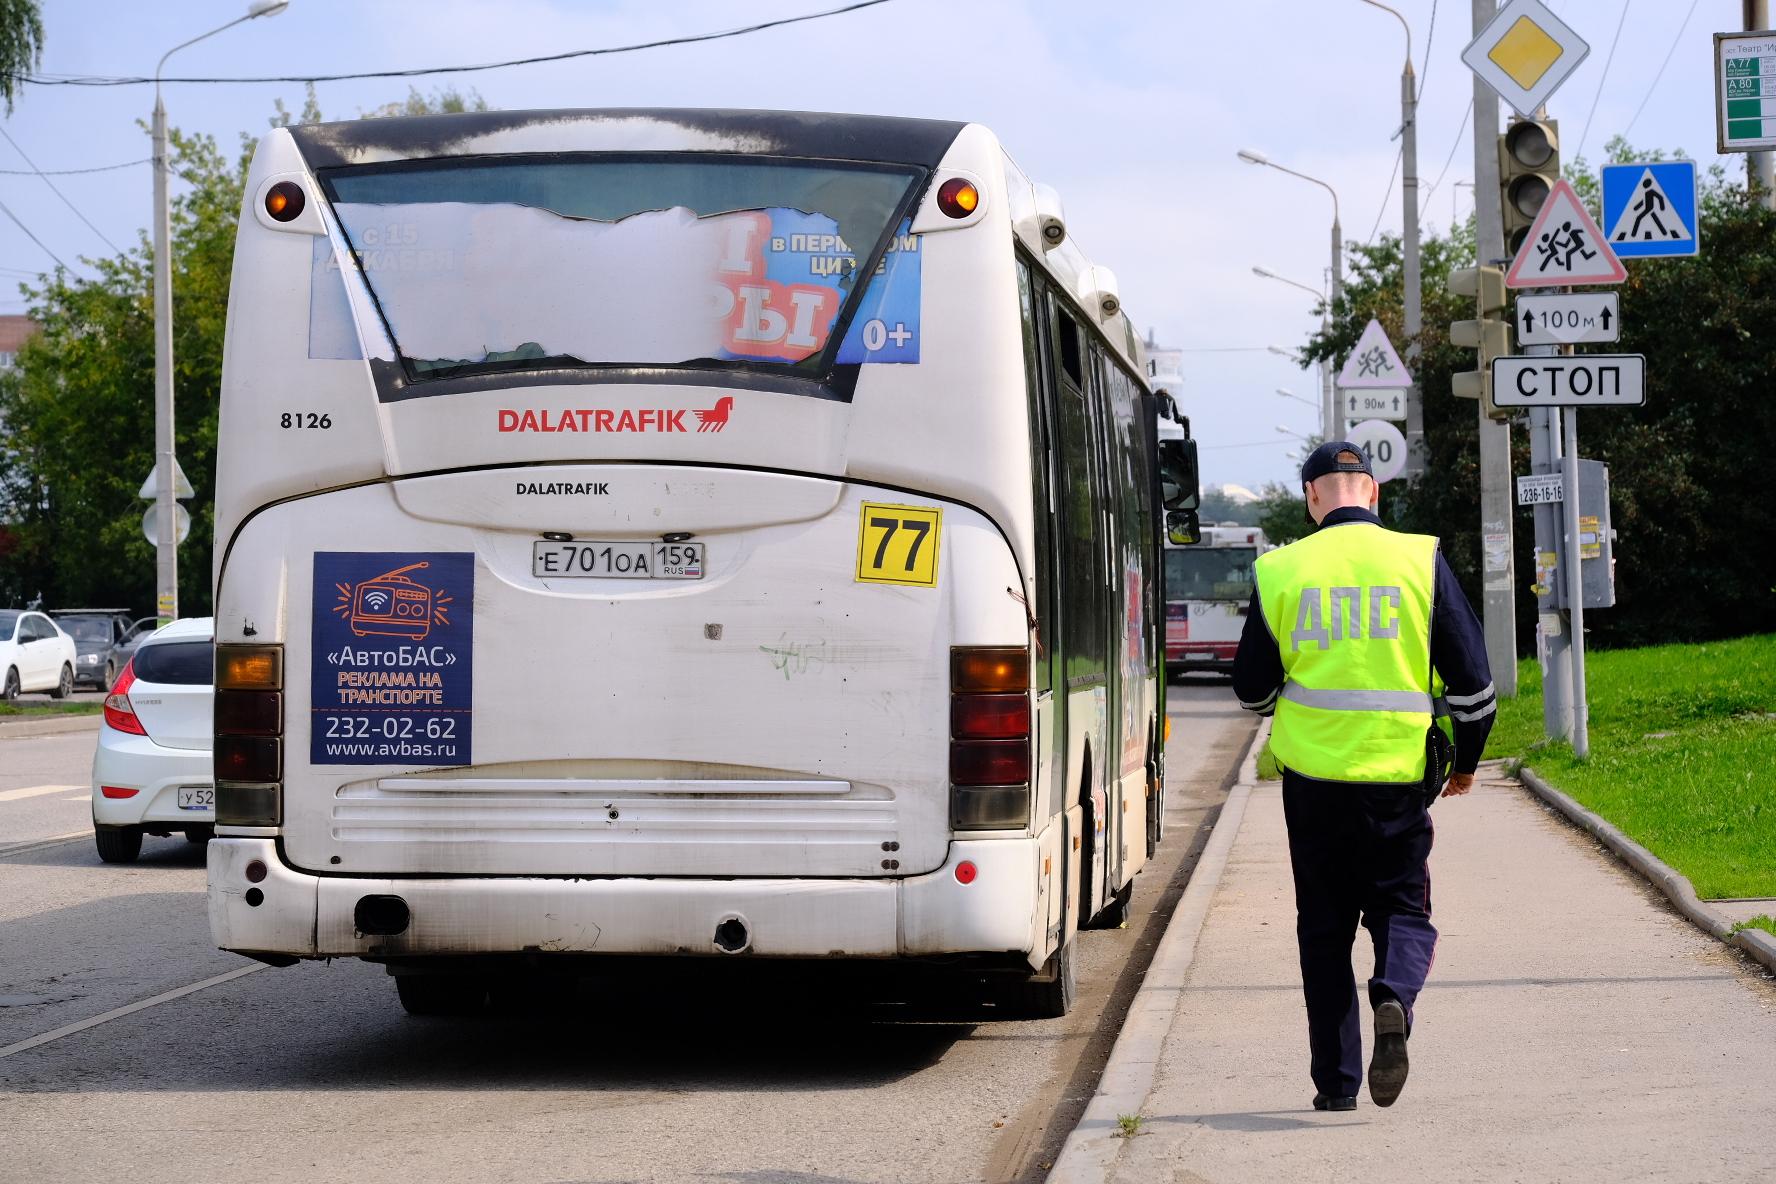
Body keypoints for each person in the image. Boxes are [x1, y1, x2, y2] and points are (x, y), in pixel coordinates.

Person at [1232, 442, 1496, 1112]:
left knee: (1322, 932)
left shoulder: (1280, 570)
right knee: (1403, 909)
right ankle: (1394, 999)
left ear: (1312, 497)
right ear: (1372, 492)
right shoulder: (1419, 558)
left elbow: (1252, 692)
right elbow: (1474, 688)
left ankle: (1337, 1086)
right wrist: (1465, 764)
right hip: (1398, 777)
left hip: (1313, 785)